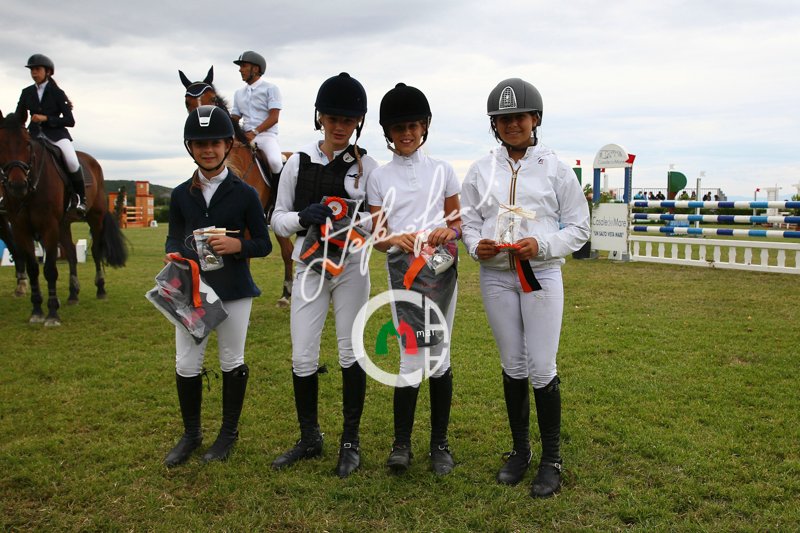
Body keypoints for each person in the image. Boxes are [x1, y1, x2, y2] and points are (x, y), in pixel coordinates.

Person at [460, 78, 590, 497]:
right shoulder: (481, 169)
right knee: (513, 364)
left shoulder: (555, 168)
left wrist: (543, 244)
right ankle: (520, 450)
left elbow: (580, 228)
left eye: (519, 117)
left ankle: (552, 459)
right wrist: (474, 245)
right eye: (503, 119)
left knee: (542, 366)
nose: (512, 124)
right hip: (496, 276)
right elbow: (468, 221)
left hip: (541, 274)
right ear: (494, 124)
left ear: (535, 119)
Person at [271, 73, 378, 478]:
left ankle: (350, 441)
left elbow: (379, 221)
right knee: (303, 353)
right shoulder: (297, 163)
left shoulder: (368, 167)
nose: (339, 126)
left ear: (357, 122)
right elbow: (277, 219)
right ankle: (309, 437)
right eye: (333, 118)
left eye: (348, 120)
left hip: (351, 266)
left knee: (350, 350)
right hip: (310, 264)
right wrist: (303, 217)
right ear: (320, 118)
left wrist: (356, 222)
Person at [163, 105, 272, 467]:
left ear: (227, 145)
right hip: (192, 290)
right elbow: (173, 237)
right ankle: (191, 434)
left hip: (234, 290)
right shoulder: (181, 194)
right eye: (200, 144)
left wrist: (238, 245)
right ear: (190, 148)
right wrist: (174, 253)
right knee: (186, 362)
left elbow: (264, 244)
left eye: (214, 143)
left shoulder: (246, 194)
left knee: (231, 360)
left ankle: (227, 433)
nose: (207, 150)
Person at [367, 83, 462, 476]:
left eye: (413, 125)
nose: (406, 133)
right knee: (410, 354)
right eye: (398, 127)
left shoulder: (444, 170)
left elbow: (457, 223)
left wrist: (448, 231)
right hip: (403, 271)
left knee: (439, 355)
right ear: (388, 132)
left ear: (424, 126)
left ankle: (439, 444)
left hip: (439, 268)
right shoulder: (379, 177)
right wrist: (394, 238)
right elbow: (378, 237)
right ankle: (401, 443)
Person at [12, 54, 85, 215]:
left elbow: (70, 120)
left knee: (72, 161)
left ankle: (80, 198)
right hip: (33, 135)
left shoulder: (57, 93)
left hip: (56, 135)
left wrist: (46, 118)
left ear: (48, 72)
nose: (34, 73)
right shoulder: (26, 92)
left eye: (37, 69)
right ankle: (6, 197)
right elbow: (18, 117)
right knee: (13, 158)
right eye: (32, 70)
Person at [230, 51, 284, 177]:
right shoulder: (238, 93)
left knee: (275, 163)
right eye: (240, 66)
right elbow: (234, 118)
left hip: (266, 136)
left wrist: (254, 132)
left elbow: (274, 117)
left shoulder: (271, 89)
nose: (240, 70)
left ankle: (279, 188)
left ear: (255, 69)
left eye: (244, 66)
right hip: (244, 137)